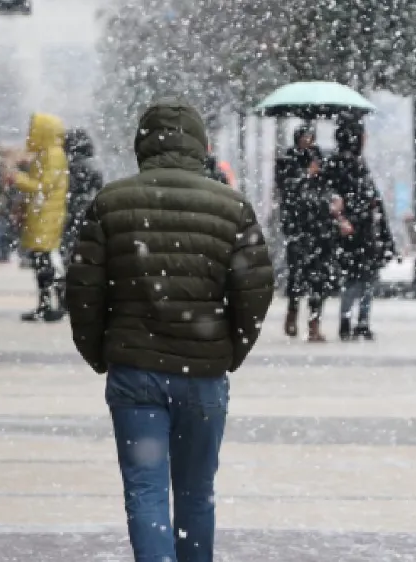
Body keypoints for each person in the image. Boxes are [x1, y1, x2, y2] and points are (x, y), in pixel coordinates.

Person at [66, 98, 274, 562]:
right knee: (197, 493)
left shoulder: (110, 203)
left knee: (146, 493)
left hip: (135, 372)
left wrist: (101, 350)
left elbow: (83, 289)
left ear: (142, 145)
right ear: (201, 147)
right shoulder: (232, 206)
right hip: (203, 375)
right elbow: (255, 289)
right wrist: (230, 348)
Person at [326, 119, 396, 341]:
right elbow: (353, 196)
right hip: (357, 232)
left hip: (360, 232)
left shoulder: (350, 162)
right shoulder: (346, 164)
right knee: (359, 280)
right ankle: (354, 322)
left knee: (361, 279)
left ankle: (356, 322)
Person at [279, 124, 341, 341]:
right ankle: (292, 312)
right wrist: (306, 174)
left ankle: (314, 323)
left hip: (321, 229)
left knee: (319, 279)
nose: (308, 141)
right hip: (299, 228)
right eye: (304, 137)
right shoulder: (287, 160)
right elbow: (288, 191)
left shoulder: (321, 159)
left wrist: (333, 202)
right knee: (297, 276)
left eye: (310, 137)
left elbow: (327, 188)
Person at [6, 112, 70, 321]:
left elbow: (44, 186)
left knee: (45, 260)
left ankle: (53, 304)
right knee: (40, 260)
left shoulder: (52, 154)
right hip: (40, 215)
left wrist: (17, 178)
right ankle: (46, 304)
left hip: (46, 216)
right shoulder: (46, 154)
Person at [62, 128, 103, 261]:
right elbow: (99, 188)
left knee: (69, 242)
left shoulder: (67, 166)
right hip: (87, 207)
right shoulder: (93, 166)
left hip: (69, 207)